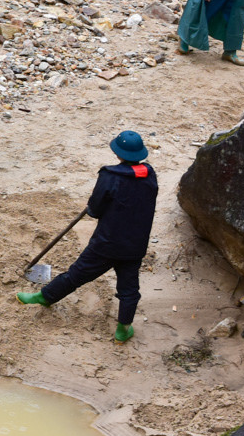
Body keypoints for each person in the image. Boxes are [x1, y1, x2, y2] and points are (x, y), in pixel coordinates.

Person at [15, 131, 157, 343]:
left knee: (77, 274)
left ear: (117, 153)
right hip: (135, 245)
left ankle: (43, 297)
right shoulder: (150, 174)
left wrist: (93, 207)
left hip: (107, 243)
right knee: (129, 288)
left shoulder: (110, 176)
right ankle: (123, 329)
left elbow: (96, 209)